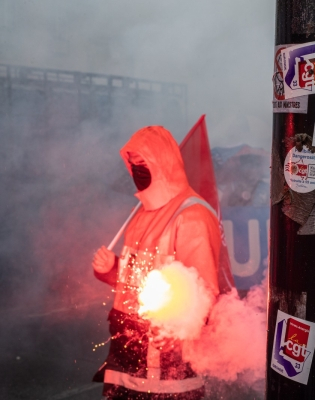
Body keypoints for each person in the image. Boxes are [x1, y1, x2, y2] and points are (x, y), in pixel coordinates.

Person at [92, 126, 223, 399]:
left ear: (162, 163)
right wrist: (111, 270)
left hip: (167, 369)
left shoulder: (192, 215)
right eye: (133, 164)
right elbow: (132, 282)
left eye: (144, 163)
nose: (137, 169)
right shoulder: (139, 215)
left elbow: (205, 291)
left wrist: (177, 329)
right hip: (125, 358)